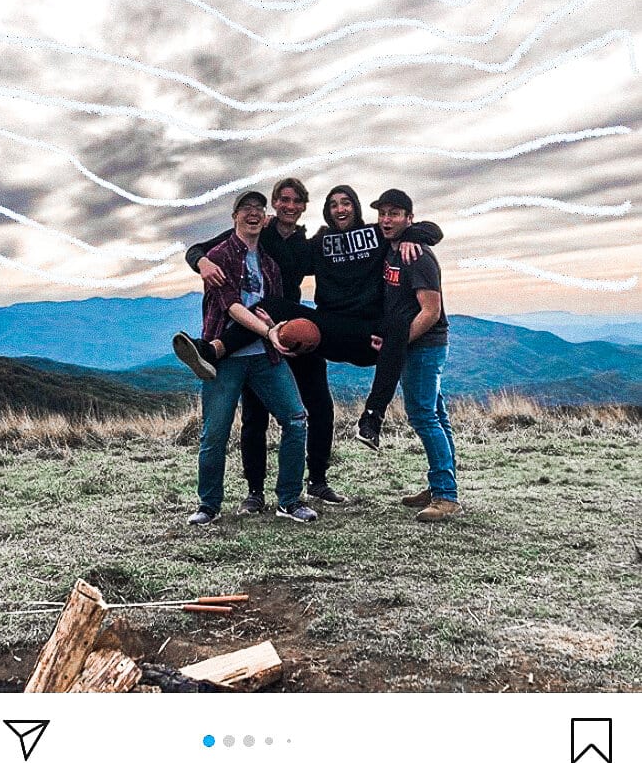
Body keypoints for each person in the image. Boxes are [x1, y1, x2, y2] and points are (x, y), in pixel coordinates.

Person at [176, 184, 442, 450]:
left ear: (356, 207)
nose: (341, 209)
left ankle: (372, 418)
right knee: (273, 306)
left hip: (368, 334)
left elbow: (433, 230)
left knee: (398, 322)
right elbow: (207, 247)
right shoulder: (318, 243)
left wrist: (413, 235)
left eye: (346, 203)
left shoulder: (377, 234)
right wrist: (203, 261)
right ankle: (212, 351)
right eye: (334, 204)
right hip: (332, 329)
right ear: (327, 211)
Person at [184, 177, 344, 512]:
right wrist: (201, 261)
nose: (255, 214)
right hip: (245, 350)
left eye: (295, 201)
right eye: (248, 209)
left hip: (272, 347)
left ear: (302, 206)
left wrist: (276, 329)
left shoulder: (277, 260)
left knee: (299, 417)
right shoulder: (225, 252)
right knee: (218, 433)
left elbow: (274, 301)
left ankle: (292, 497)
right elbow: (226, 298)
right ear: (236, 215)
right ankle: (214, 504)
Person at [377, 189, 460, 523]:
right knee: (436, 415)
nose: (386, 219)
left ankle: (446, 496)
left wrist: (397, 347)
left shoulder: (417, 256)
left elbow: (430, 311)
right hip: (418, 347)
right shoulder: (393, 249)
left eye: (394, 213)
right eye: (383, 213)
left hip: (424, 347)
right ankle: (440, 484)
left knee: (424, 416)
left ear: (408, 218)